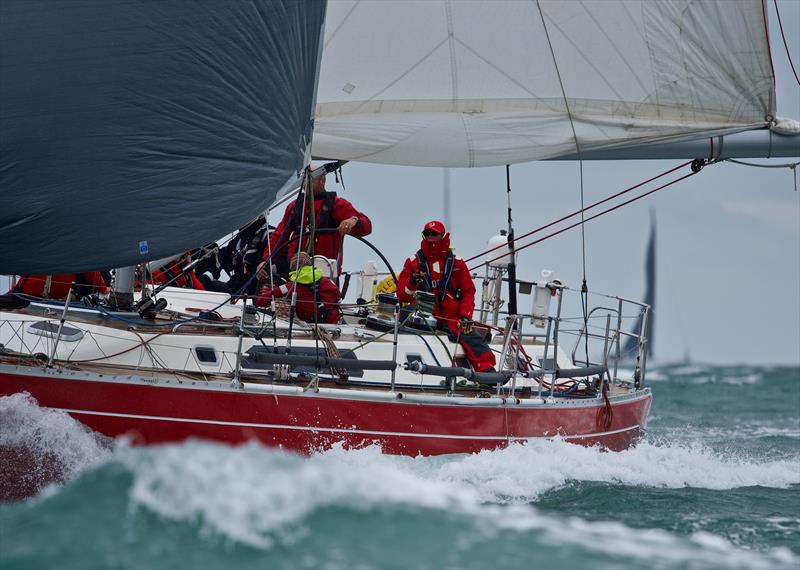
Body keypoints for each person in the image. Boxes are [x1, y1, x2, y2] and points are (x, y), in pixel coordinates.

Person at [396, 220, 496, 373]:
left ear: (442, 236)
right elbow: (402, 296)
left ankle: (486, 370)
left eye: (434, 234)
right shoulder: (413, 263)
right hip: (424, 314)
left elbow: (468, 291)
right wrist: (412, 282)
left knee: (472, 337)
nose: (430, 237)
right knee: (402, 318)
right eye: (426, 234)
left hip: (451, 317)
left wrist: (465, 316)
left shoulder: (457, 263)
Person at [262, 166, 372, 277]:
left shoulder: (336, 204)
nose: (305, 183)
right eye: (304, 179)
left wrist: (354, 221)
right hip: (296, 274)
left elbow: (367, 226)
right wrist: (265, 261)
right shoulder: (295, 207)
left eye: (310, 179)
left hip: (325, 275)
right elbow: (280, 236)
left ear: (322, 181)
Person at [255, 252, 341, 325]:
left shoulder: (291, 287)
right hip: (332, 324)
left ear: (293, 268)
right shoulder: (329, 283)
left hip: (310, 325)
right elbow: (337, 297)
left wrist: (255, 301)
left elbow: (271, 295)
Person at [11, 272, 108, 300]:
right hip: (60, 300)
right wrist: (103, 288)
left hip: (25, 292)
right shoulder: (79, 248)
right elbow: (92, 273)